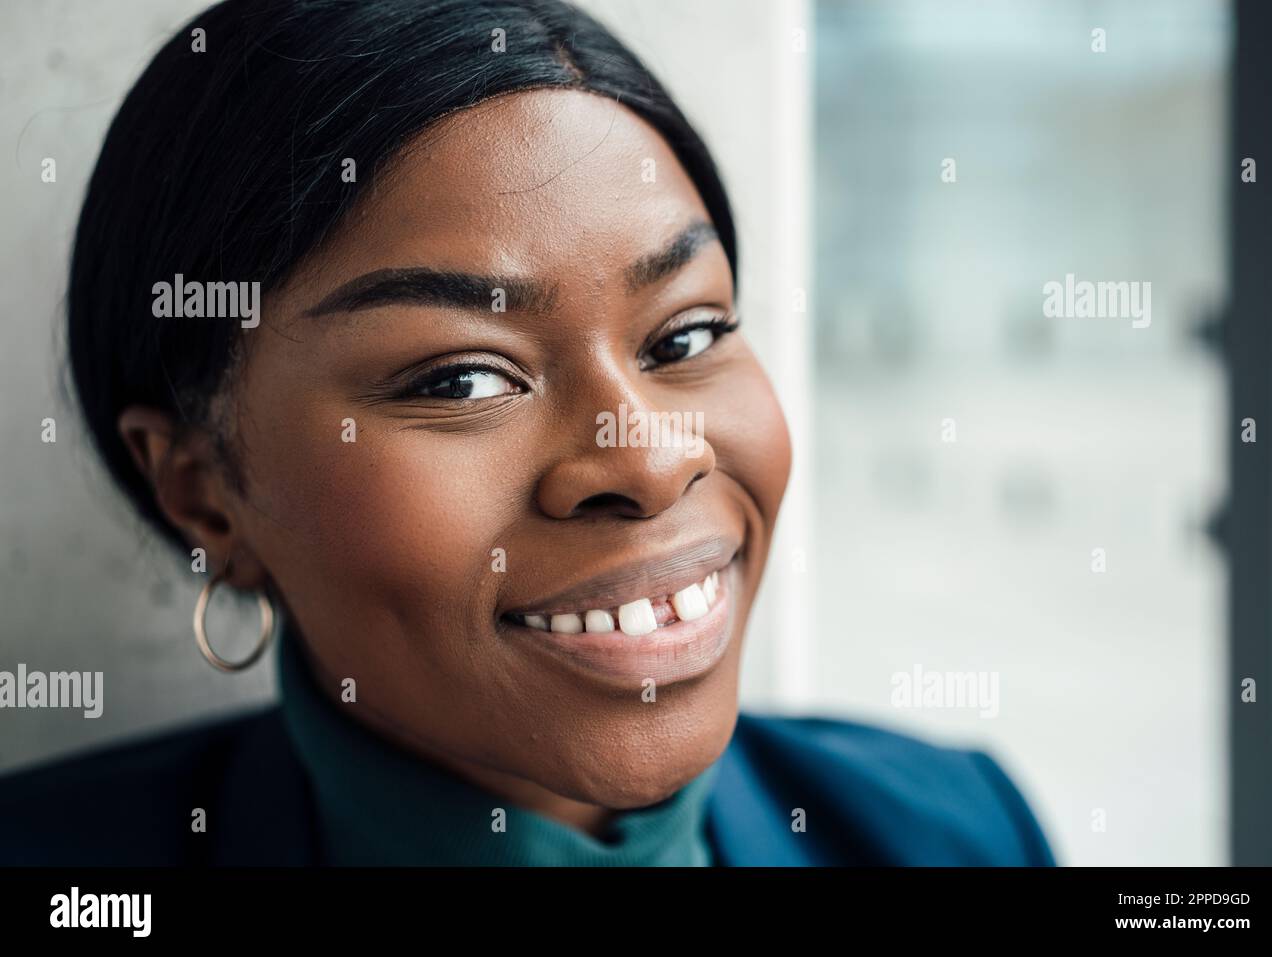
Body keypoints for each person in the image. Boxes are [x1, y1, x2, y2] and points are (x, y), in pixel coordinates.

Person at [0, 0, 1055, 866]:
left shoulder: (952, 833)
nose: (648, 459)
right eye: (460, 379)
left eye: (685, 335)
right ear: (204, 492)